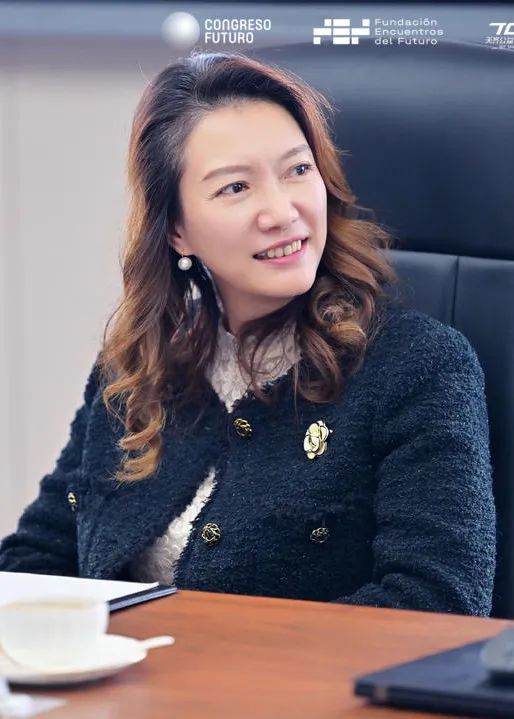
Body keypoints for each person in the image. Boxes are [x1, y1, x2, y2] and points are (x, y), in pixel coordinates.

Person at [0, 51, 496, 616]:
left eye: (298, 170)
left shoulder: (417, 366)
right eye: (235, 187)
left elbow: (437, 606)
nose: (281, 211)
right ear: (178, 231)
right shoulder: (138, 367)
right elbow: (35, 557)